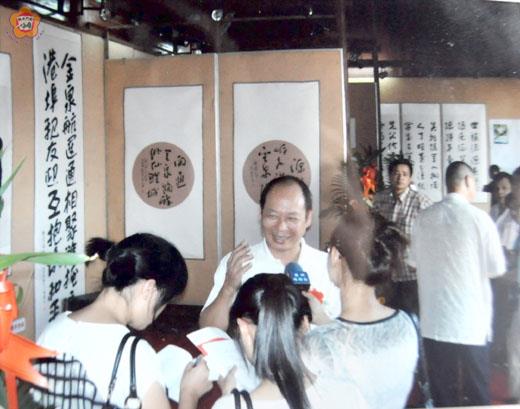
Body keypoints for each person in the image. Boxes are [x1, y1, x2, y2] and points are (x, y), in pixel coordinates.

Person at [38, 233, 188, 409]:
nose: (159, 312)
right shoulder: (137, 355)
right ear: (149, 289)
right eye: (164, 302)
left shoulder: (54, 328)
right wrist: (189, 392)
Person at [180, 273, 368, 409]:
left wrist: (189, 395)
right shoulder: (349, 392)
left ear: (244, 329)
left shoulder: (230, 405)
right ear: (305, 324)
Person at [303, 203, 419, 409]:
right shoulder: (407, 325)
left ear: (336, 255)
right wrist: (324, 321)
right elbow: (363, 348)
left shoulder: (316, 345)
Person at [410, 161, 506, 407]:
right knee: (478, 393)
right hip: (471, 322)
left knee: (443, 395)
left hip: (435, 323)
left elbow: (413, 262)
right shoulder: (480, 219)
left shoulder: (423, 218)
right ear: (467, 181)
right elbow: (497, 268)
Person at [199, 175, 340, 330]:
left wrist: (321, 319)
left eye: (291, 218)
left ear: (308, 218)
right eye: (272, 216)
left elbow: (349, 335)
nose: (281, 228)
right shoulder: (239, 263)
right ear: (261, 214)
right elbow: (208, 330)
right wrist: (228, 288)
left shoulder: (329, 266)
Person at [372, 157, 432, 314]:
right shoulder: (379, 199)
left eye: (405, 174)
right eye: (396, 173)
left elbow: (431, 235)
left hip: (410, 273)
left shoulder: (421, 201)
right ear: (390, 176)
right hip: (386, 271)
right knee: (387, 315)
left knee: (411, 316)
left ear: (410, 178)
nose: (400, 178)